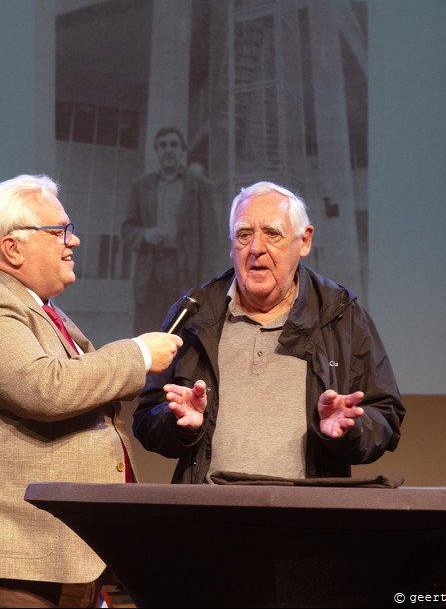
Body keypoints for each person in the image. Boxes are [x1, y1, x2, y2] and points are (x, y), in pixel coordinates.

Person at [0, 174, 183, 608]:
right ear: (12, 247)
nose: (72, 242)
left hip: (56, 562)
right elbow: (45, 389)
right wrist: (137, 355)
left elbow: (86, 400)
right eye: (59, 231)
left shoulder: (49, 315)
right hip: (2, 563)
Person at [133, 181, 404, 482]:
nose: (256, 248)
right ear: (231, 244)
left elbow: (386, 418)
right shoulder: (195, 315)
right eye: (244, 234)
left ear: (304, 241)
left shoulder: (341, 315)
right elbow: (146, 419)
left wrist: (349, 430)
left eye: (272, 234)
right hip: (210, 520)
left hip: (307, 521)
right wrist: (180, 422)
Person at [121, 127, 220, 334]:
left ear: (183, 151)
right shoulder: (141, 187)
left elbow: (211, 240)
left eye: (174, 144)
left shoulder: (200, 186)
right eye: (163, 145)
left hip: (184, 272)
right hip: (150, 274)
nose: (168, 149)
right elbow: (127, 230)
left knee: (184, 336)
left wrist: (208, 286)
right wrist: (145, 235)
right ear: (156, 150)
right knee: (147, 334)